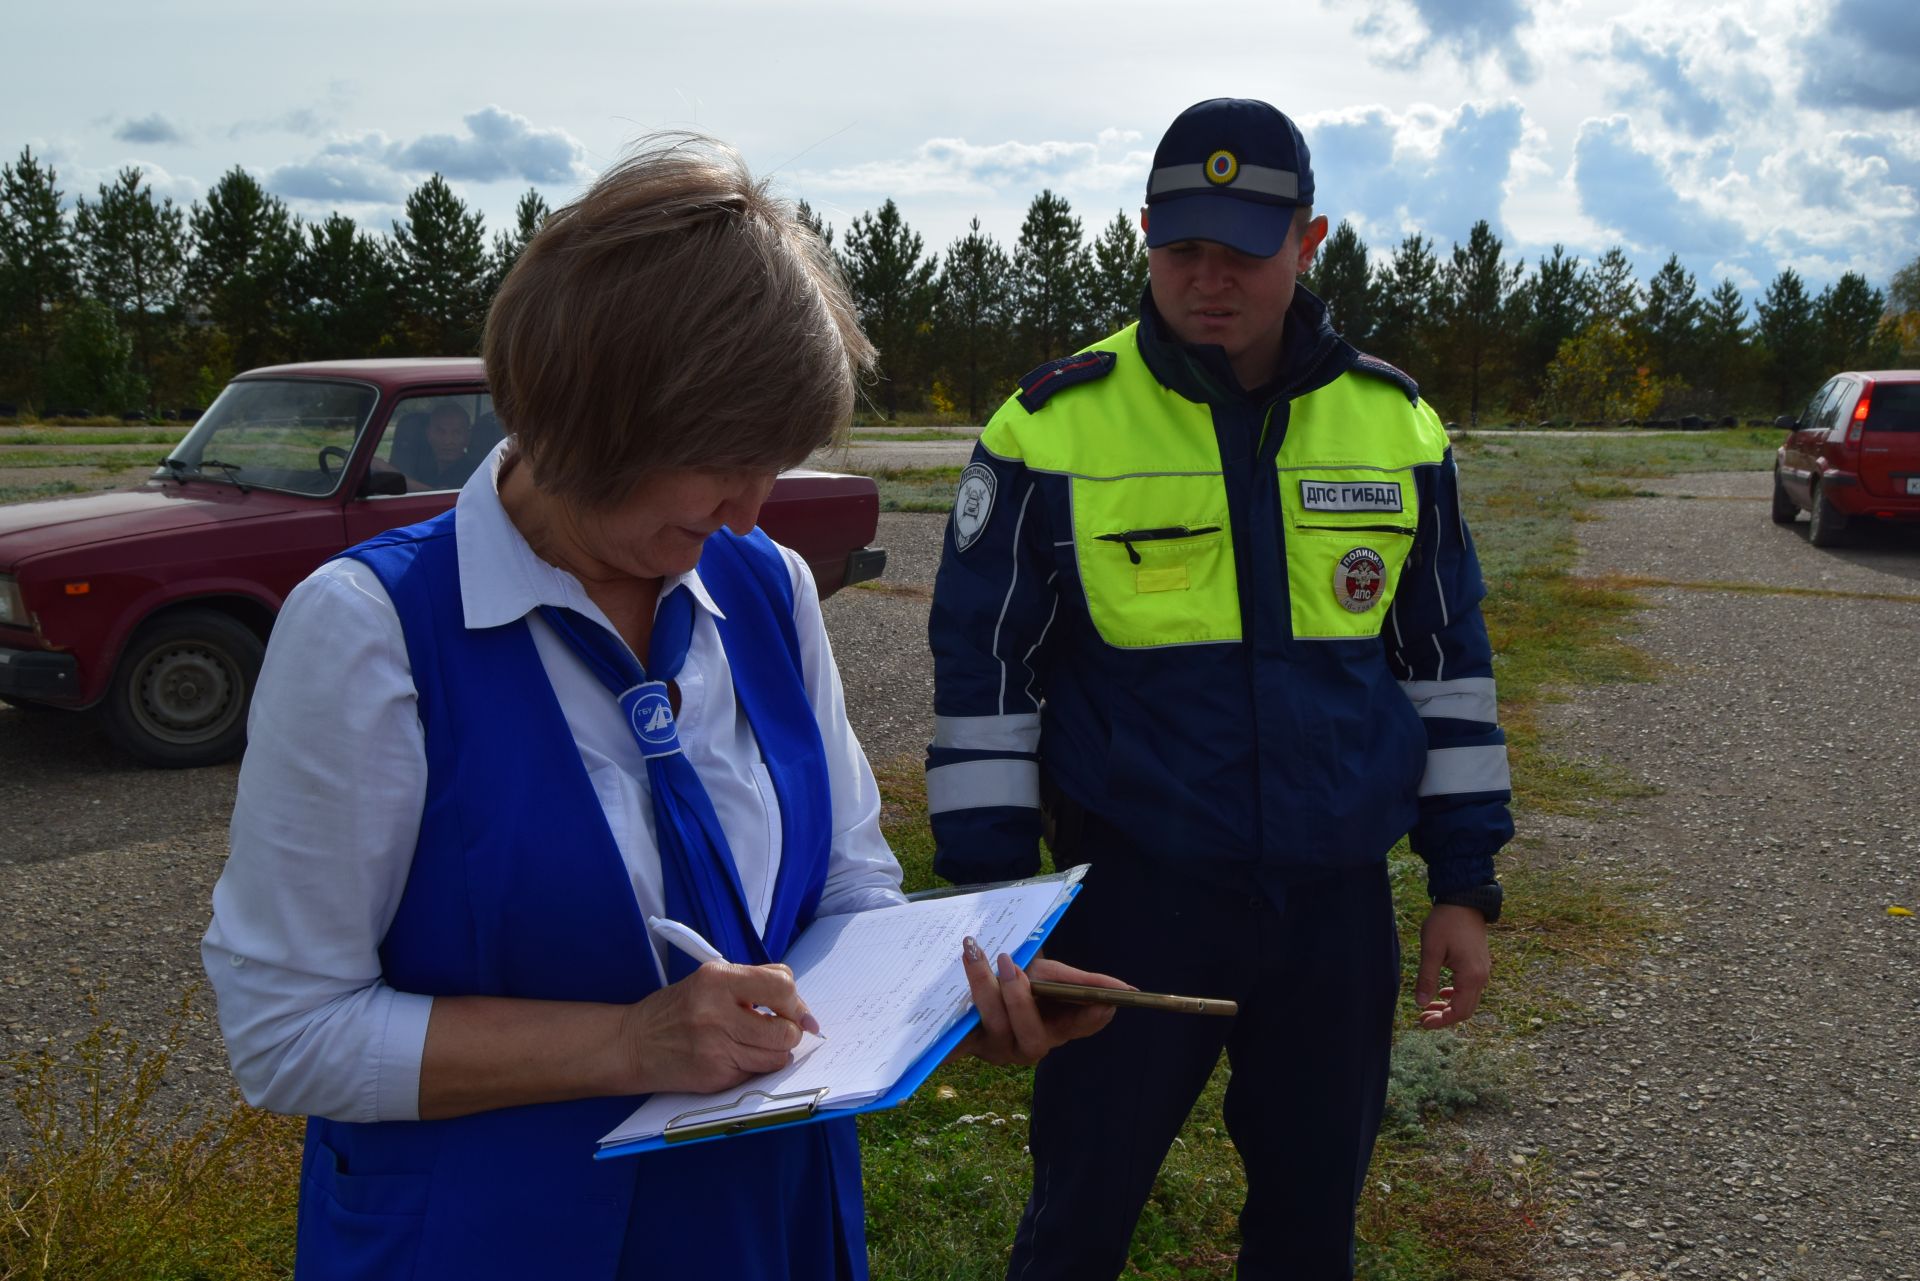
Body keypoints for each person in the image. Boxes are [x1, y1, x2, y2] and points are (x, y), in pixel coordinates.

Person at [203, 132, 1119, 1281]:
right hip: (490, 1240)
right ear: (600, 417)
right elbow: (289, 1037)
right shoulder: (372, 629)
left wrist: (953, 993)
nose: (749, 509)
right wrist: (627, 1043)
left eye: (775, 463)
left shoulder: (766, 585)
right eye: (724, 461)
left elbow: (845, 890)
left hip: (762, 1223)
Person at [926, 98, 1514, 1280]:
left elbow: (1446, 671)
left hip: (1336, 912)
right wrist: (994, 913)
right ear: (1143, 232)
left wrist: (1463, 880)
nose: (1209, 279)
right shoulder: (1049, 428)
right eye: (1181, 246)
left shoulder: (1396, 427)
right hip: (1133, 901)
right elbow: (983, 680)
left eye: (1244, 250)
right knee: (1079, 1223)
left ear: (1311, 241)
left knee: (1310, 1231)